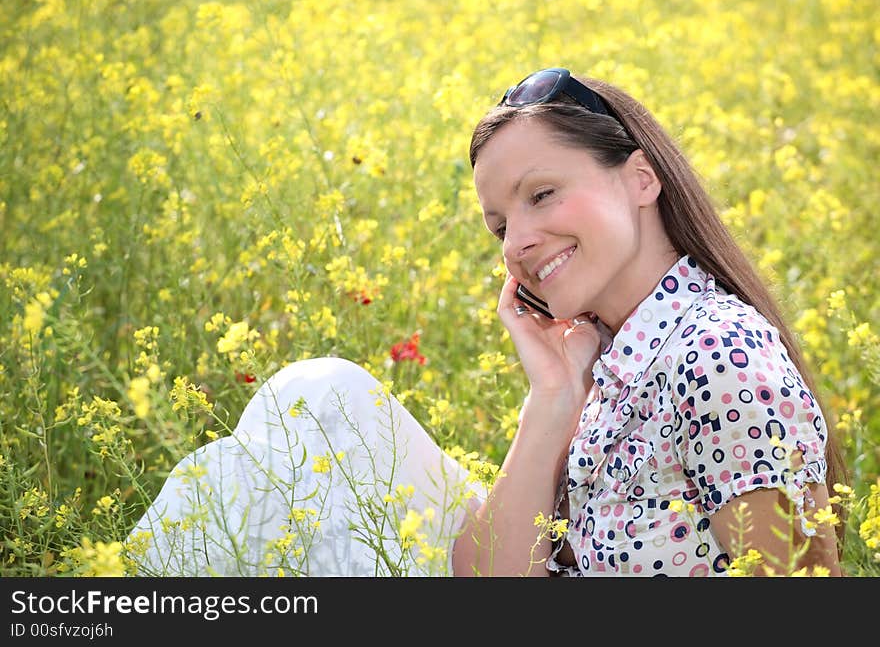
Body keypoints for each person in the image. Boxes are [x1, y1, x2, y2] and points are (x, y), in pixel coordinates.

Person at [127, 68, 844, 577]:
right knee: (320, 398)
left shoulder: (717, 348)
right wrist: (553, 397)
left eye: (543, 194)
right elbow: (488, 579)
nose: (517, 243)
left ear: (640, 180)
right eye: (500, 223)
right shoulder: (613, 353)